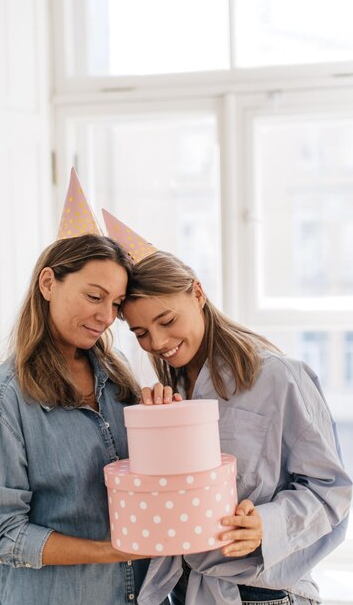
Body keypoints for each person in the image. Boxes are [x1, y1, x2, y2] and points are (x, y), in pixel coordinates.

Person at [120, 249, 352, 605]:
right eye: (141, 333)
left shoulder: (279, 377)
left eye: (166, 321)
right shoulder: (172, 391)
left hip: (263, 595)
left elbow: (333, 491)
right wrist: (156, 433)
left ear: (197, 293)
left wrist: (266, 525)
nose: (158, 342)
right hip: (185, 593)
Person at [0, 234, 156, 605]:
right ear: (48, 283)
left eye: (116, 304)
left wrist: (163, 420)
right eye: (94, 297)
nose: (106, 316)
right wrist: (108, 552)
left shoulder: (116, 378)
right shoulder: (4, 402)